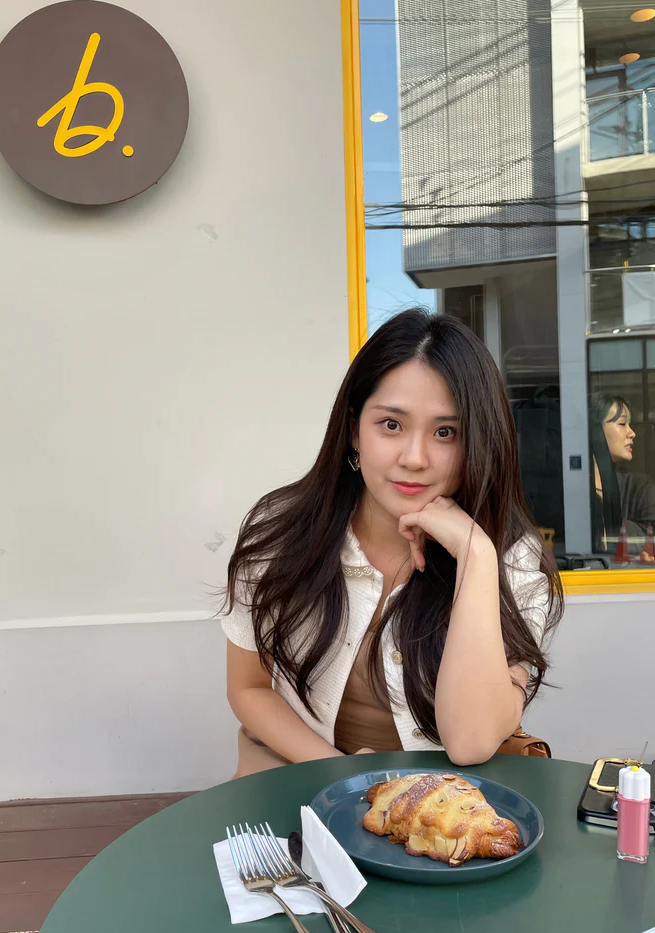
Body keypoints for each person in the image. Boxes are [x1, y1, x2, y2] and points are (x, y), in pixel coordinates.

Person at [222, 309, 563, 776]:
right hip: (298, 786)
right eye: (391, 424)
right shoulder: (282, 532)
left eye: (445, 432)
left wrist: (476, 556)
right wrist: (344, 776)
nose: (415, 458)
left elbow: (472, 741)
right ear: (353, 430)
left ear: (478, 443)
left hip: (438, 809)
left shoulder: (511, 561)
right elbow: (248, 688)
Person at [589, 393, 655, 557]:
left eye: (629, 425)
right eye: (622, 424)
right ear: (594, 430)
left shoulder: (640, 488)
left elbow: (650, 538)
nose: (631, 433)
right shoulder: (569, 493)